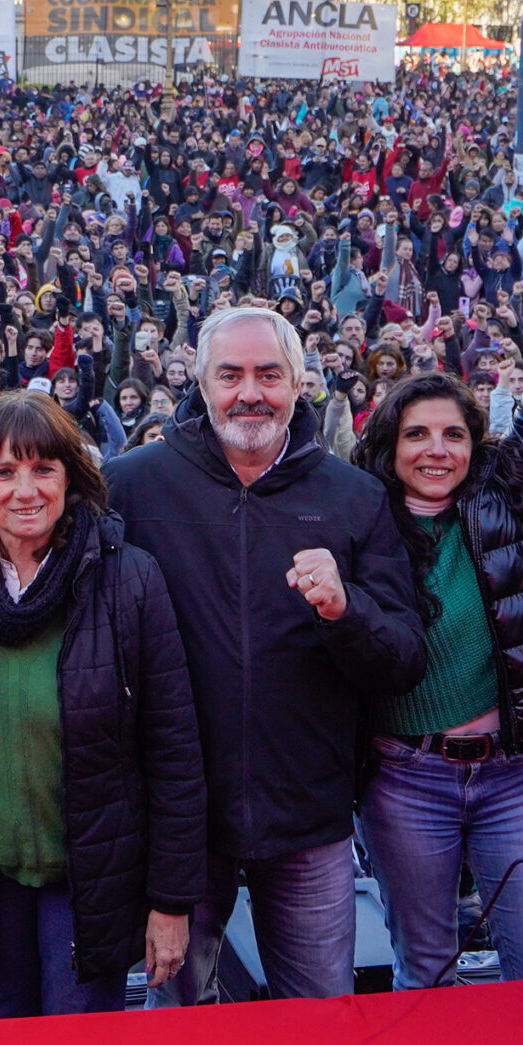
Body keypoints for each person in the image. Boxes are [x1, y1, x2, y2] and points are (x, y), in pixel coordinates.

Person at [103, 306, 426, 1004]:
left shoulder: (354, 496)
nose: (251, 392)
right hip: (181, 823)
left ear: (300, 383)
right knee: (178, 1025)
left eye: (269, 375)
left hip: (307, 814)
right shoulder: (131, 485)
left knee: (318, 1025)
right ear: (200, 381)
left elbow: (403, 658)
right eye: (232, 374)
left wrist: (349, 611)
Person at [346, 207, 523, 987]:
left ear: (475, 440)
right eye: (417, 435)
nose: (436, 451)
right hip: (404, 778)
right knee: (425, 963)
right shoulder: (360, 519)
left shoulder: (504, 495)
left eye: (452, 434)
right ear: (389, 446)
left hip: (514, 771)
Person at [0, 391, 204, 1017]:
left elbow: (175, 751)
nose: (25, 490)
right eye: (4, 471)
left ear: (71, 478)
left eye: (43, 468)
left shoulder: (128, 579)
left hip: (90, 879)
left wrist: (171, 903)